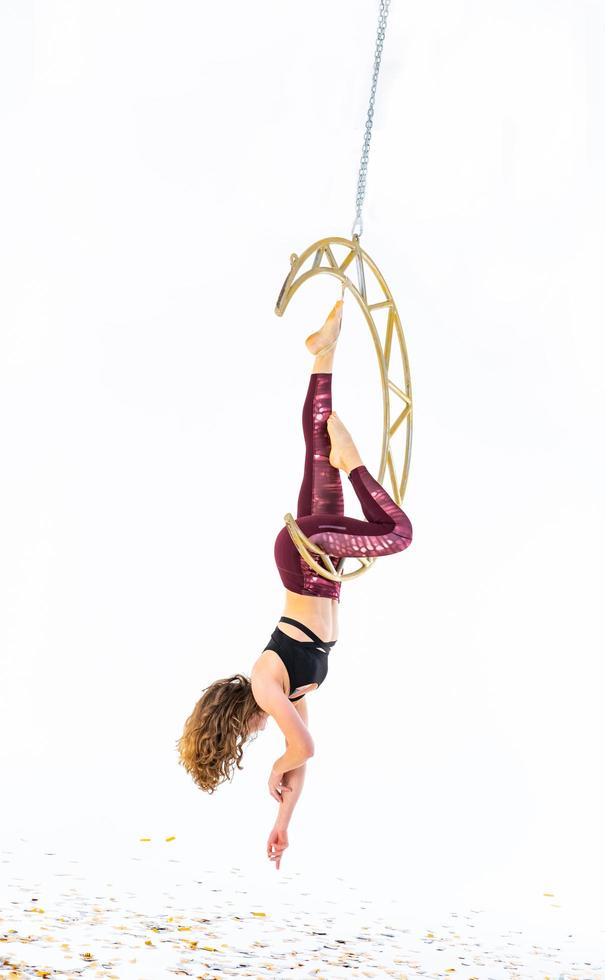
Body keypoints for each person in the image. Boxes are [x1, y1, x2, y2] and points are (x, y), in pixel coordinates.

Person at [176, 296, 413, 867]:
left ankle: (354, 462)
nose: (260, 738)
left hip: (306, 561)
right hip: (314, 566)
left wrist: (276, 767)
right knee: (315, 451)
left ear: (238, 724)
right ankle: (323, 352)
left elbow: (298, 749)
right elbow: (303, 751)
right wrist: (283, 816)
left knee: (397, 532)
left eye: (247, 738)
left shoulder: (265, 687)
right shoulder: (287, 693)